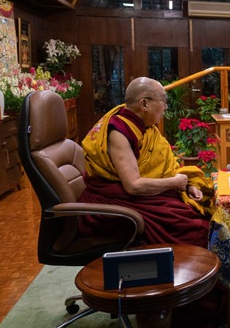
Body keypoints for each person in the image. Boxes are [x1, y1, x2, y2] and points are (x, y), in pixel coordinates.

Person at [79, 77, 212, 248]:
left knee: (196, 212)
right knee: (195, 229)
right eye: (163, 101)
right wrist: (174, 182)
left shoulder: (145, 127)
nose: (165, 107)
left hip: (141, 196)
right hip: (114, 203)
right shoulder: (119, 132)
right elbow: (133, 186)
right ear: (144, 104)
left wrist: (186, 185)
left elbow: (165, 166)